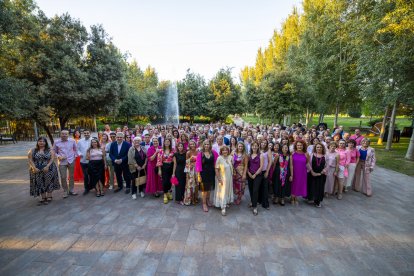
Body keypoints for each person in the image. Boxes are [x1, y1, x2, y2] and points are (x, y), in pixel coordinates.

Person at [28, 137, 60, 205]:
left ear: (46, 143)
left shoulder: (50, 150)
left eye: (43, 141)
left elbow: (52, 159)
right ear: (37, 142)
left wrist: (47, 166)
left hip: (49, 168)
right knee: (39, 182)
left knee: (49, 182)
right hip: (37, 169)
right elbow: (30, 160)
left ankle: (49, 196)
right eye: (40, 141)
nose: (41, 143)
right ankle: (43, 197)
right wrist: (34, 167)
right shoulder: (33, 150)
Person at [53, 130, 78, 198]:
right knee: (63, 177)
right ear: (60, 134)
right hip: (62, 162)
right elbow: (53, 151)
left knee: (71, 176)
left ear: (68, 134)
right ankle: (65, 191)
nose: (64, 135)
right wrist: (58, 156)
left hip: (71, 160)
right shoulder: (56, 142)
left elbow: (76, 149)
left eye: (66, 134)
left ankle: (71, 189)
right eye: (63, 134)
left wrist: (75, 157)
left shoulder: (72, 141)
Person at [196, 140, 218, 212]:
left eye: (208, 144)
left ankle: (208, 200)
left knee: (209, 188)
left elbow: (218, 160)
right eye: (205, 144)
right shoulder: (200, 154)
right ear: (203, 145)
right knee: (204, 190)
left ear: (210, 145)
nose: (206, 146)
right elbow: (198, 165)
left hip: (211, 173)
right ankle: (204, 203)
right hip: (203, 174)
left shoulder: (213, 152)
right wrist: (199, 175)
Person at [214, 146, 234, 216]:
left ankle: (225, 202)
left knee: (227, 191)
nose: (225, 151)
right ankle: (223, 207)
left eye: (226, 150)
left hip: (229, 177)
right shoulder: (219, 158)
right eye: (223, 150)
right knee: (222, 191)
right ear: (221, 151)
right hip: (222, 178)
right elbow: (216, 169)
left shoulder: (229, 158)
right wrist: (219, 179)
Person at [289, 140, 309, 205]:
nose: (299, 146)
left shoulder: (306, 154)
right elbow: (291, 165)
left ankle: (296, 197)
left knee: (299, 184)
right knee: (293, 184)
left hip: (302, 172)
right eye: (298, 145)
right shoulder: (292, 153)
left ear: (303, 146)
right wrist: (291, 174)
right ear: (296, 146)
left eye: (301, 145)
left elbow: (307, 163)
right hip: (294, 171)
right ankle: (292, 198)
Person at [247, 141, 264, 215]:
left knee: (255, 190)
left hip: (257, 175)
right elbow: (247, 165)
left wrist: (255, 174)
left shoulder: (261, 155)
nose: (254, 147)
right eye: (253, 146)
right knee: (250, 189)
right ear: (251, 147)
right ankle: (252, 201)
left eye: (256, 146)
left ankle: (255, 207)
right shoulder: (249, 155)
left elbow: (261, 166)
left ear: (258, 147)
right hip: (250, 174)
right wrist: (249, 173)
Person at [157, 138, 175, 204]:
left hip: (171, 166)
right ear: (164, 143)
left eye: (168, 142)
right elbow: (159, 160)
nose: (167, 143)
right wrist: (159, 169)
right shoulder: (161, 151)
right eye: (166, 142)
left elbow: (175, 160)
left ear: (170, 143)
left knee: (170, 181)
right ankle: (165, 194)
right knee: (165, 181)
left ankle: (168, 192)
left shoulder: (173, 150)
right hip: (164, 167)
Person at [309, 142, 327, 207]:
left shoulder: (325, 155)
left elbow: (328, 165)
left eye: (320, 147)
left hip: (321, 174)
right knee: (312, 186)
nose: (319, 148)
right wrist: (312, 172)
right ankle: (312, 198)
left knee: (320, 188)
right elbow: (308, 163)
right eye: (317, 147)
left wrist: (323, 171)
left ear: (322, 148)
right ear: (315, 148)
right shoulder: (311, 155)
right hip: (313, 173)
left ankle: (318, 201)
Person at [183, 140, 199, 205]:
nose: (192, 145)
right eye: (191, 144)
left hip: (197, 169)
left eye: (193, 144)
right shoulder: (188, 152)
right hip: (190, 170)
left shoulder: (198, 151)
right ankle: (190, 198)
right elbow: (186, 162)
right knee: (190, 185)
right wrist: (190, 164)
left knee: (197, 184)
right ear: (189, 145)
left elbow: (200, 161)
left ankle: (195, 198)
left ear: (195, 144)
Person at [77, 129, 92, 195]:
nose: (86, 134)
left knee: (91, 175)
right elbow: (77, 150)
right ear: (83, 134)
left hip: (91, 161)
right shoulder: (80, 141)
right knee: (85, 175)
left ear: (90, 133)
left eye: (87, 133)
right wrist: (80, 154)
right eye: (85, 133)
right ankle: (86, 188)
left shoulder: (93, 140)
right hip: (83, 161)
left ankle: (93, 186)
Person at [258, 140, 272, 209]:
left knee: (265, 187)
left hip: (264, 171)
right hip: (258, 171)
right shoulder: (257, 149)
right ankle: (259, 200)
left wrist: (267, 171)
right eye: (262, 143)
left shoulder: (268, 151)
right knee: (259, 187)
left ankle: (265, 204)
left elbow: (270, 162)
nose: (263, 144)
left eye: (265, 143)